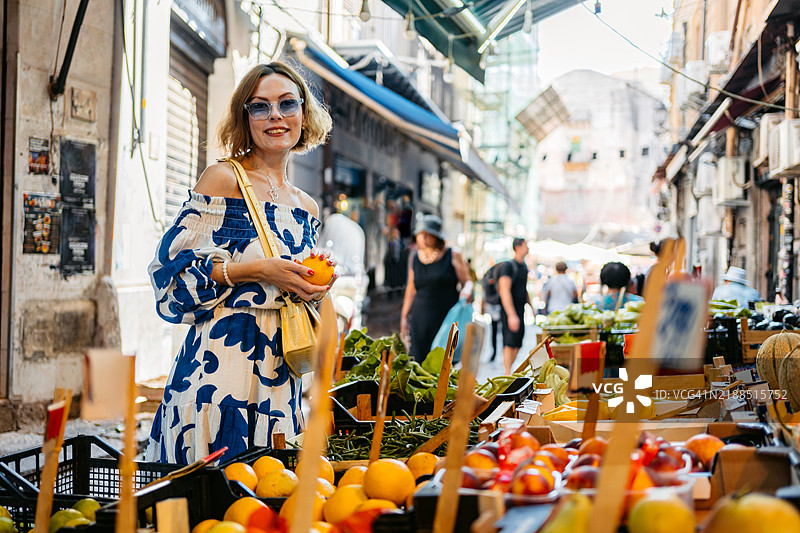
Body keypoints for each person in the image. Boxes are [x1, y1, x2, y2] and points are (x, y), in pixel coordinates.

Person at [145, 62, 335, 464]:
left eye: (287, 104)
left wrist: (313, 288)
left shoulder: (306, 206)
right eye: (260, 107)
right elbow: (170, 278)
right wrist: (255, 270)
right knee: (207, 505)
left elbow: (308, 298)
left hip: (281, 374)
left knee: (265, 502)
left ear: (304, 112)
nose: (276, 117)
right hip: (217, 370)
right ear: (244, 117)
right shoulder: (222, 179)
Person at [400, 214, 473, 361]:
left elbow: (468, 281)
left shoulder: (453, 254)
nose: (423, 238)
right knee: (418, 362)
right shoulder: (414, 257)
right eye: (420, 234)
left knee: (442, 362)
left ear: (436, 236)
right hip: (420, 319)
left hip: (445, 318)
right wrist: (404, 317)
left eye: (427, 234)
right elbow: (411, 289)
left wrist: (466, 291)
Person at [498, 238, 531, 374]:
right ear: (518, 247)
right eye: (525, 245)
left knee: (518, 342)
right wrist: (511, 314)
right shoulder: (508, 266)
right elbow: (504, 290)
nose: (528, 248)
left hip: (520, 309)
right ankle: (507, 373)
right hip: (509, 310)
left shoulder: (524, 266)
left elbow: (524, 289)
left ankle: (509, 372)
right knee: (509, 342)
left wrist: (531, 306)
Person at [481, 261, 503, 362]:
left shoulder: (487, 276)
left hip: (493, 305)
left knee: (495, 331)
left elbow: (484, 294)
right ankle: (497, 352)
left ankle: (496, 353)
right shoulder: (495, 277)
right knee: (498, 331)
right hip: (497, 305)